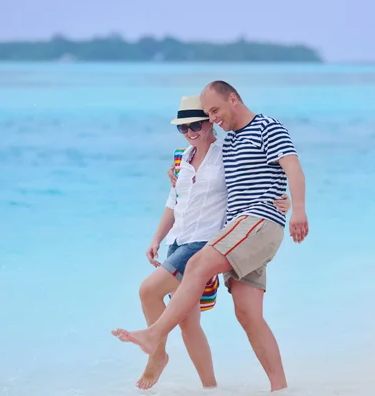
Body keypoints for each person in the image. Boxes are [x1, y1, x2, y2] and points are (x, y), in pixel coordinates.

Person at [113, 81, 309, 392]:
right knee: (247, 314)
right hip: (237, 231)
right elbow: (215, 185)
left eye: (213, 112)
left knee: (197, 264)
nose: (212, 119)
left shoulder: (266, 127)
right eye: (207, 115)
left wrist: (296, 207)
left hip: (254, 223)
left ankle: (155, 336)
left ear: (234, 98)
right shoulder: (227, 144)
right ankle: (280, 389)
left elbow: (292, 168)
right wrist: (178, 177)